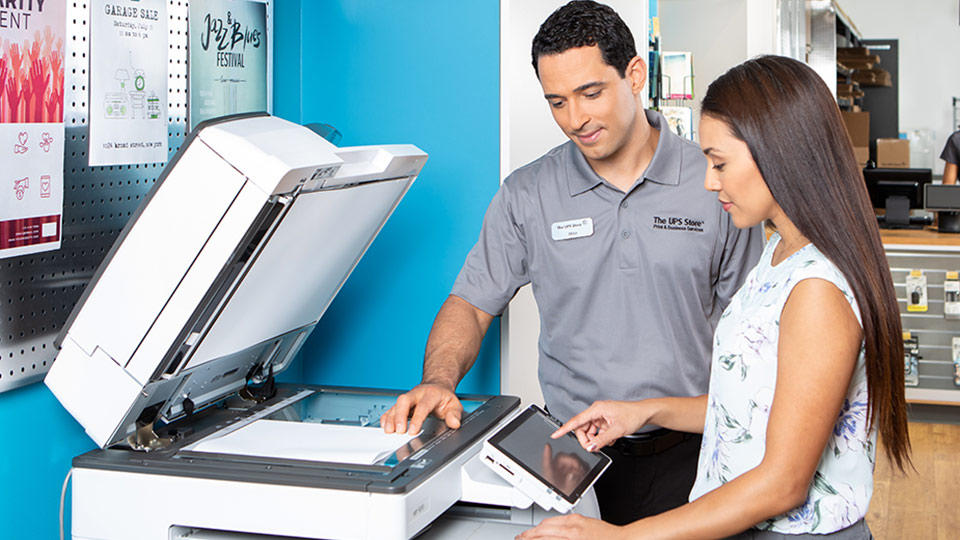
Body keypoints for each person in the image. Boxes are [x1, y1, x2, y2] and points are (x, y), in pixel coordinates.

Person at [381, 0, 762, 524]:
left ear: (633, 75)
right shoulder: (527, 194)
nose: (575, 119)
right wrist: (439, 380)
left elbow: (752, 332)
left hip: (691, 450)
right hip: (568, 451)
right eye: (557, 102)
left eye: (590, 93)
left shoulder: (713, 183)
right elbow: (470, 304)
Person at [519, 55, 912, 540]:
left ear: (780, 153)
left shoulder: (816, 291)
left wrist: (621, 537)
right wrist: (642, 411)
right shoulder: (778, 254)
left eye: (720, 163)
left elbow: (783, 484)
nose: (709, 181)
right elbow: (752, 406)